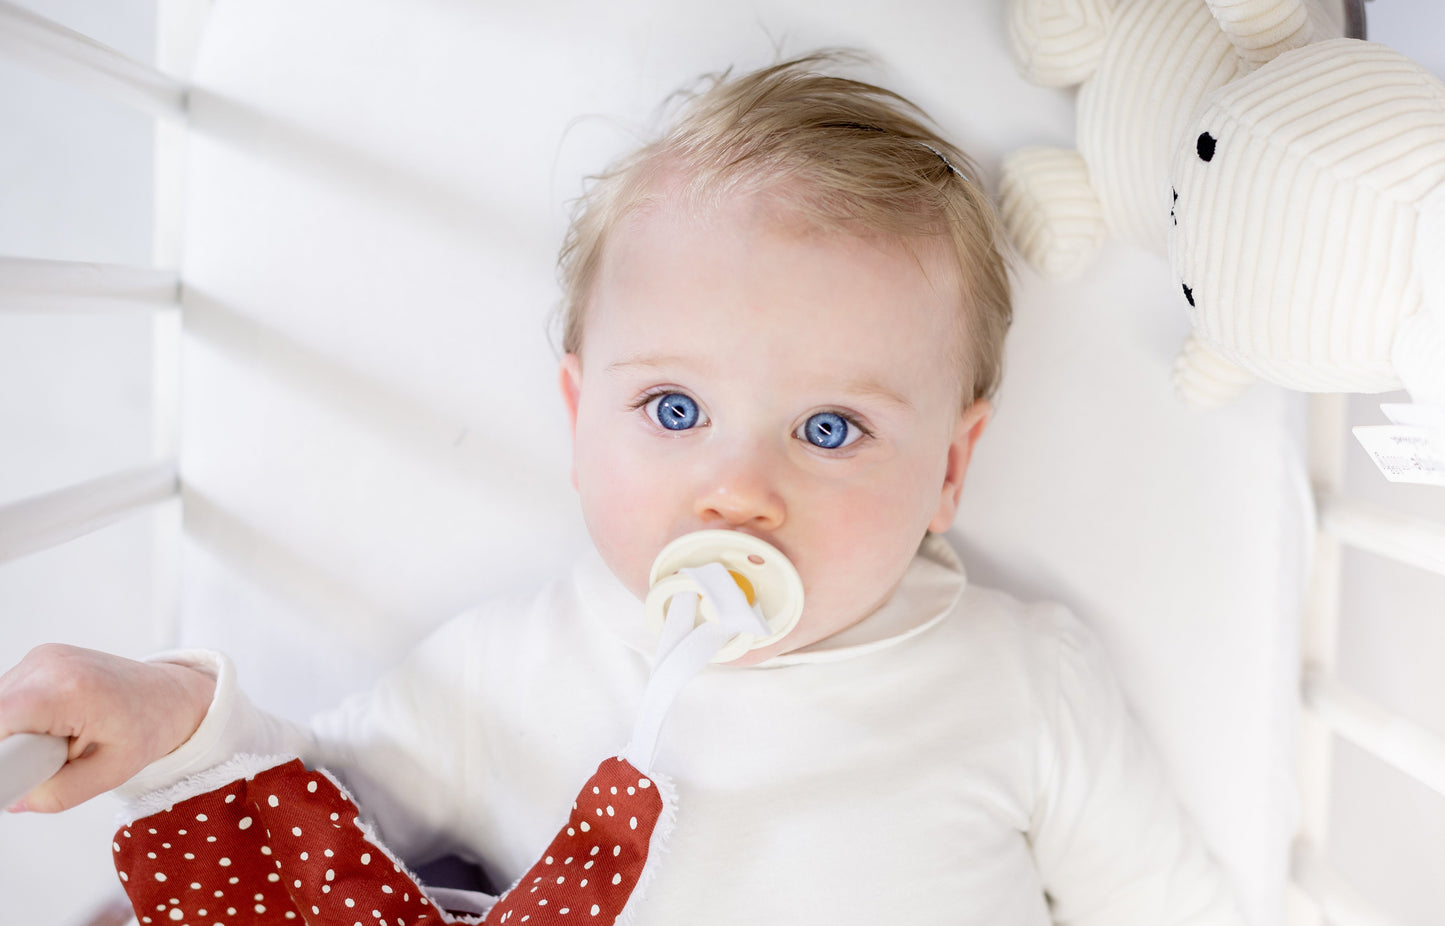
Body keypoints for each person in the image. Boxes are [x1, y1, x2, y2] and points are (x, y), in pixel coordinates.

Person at [0, 52, 1245, 924]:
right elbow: (317, 811)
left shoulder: (1022, 679)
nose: (737, 489)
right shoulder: (509, 666)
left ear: (951, 467)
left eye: (828, 426)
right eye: (673, 411)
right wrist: (175, 715)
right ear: (577, 416)